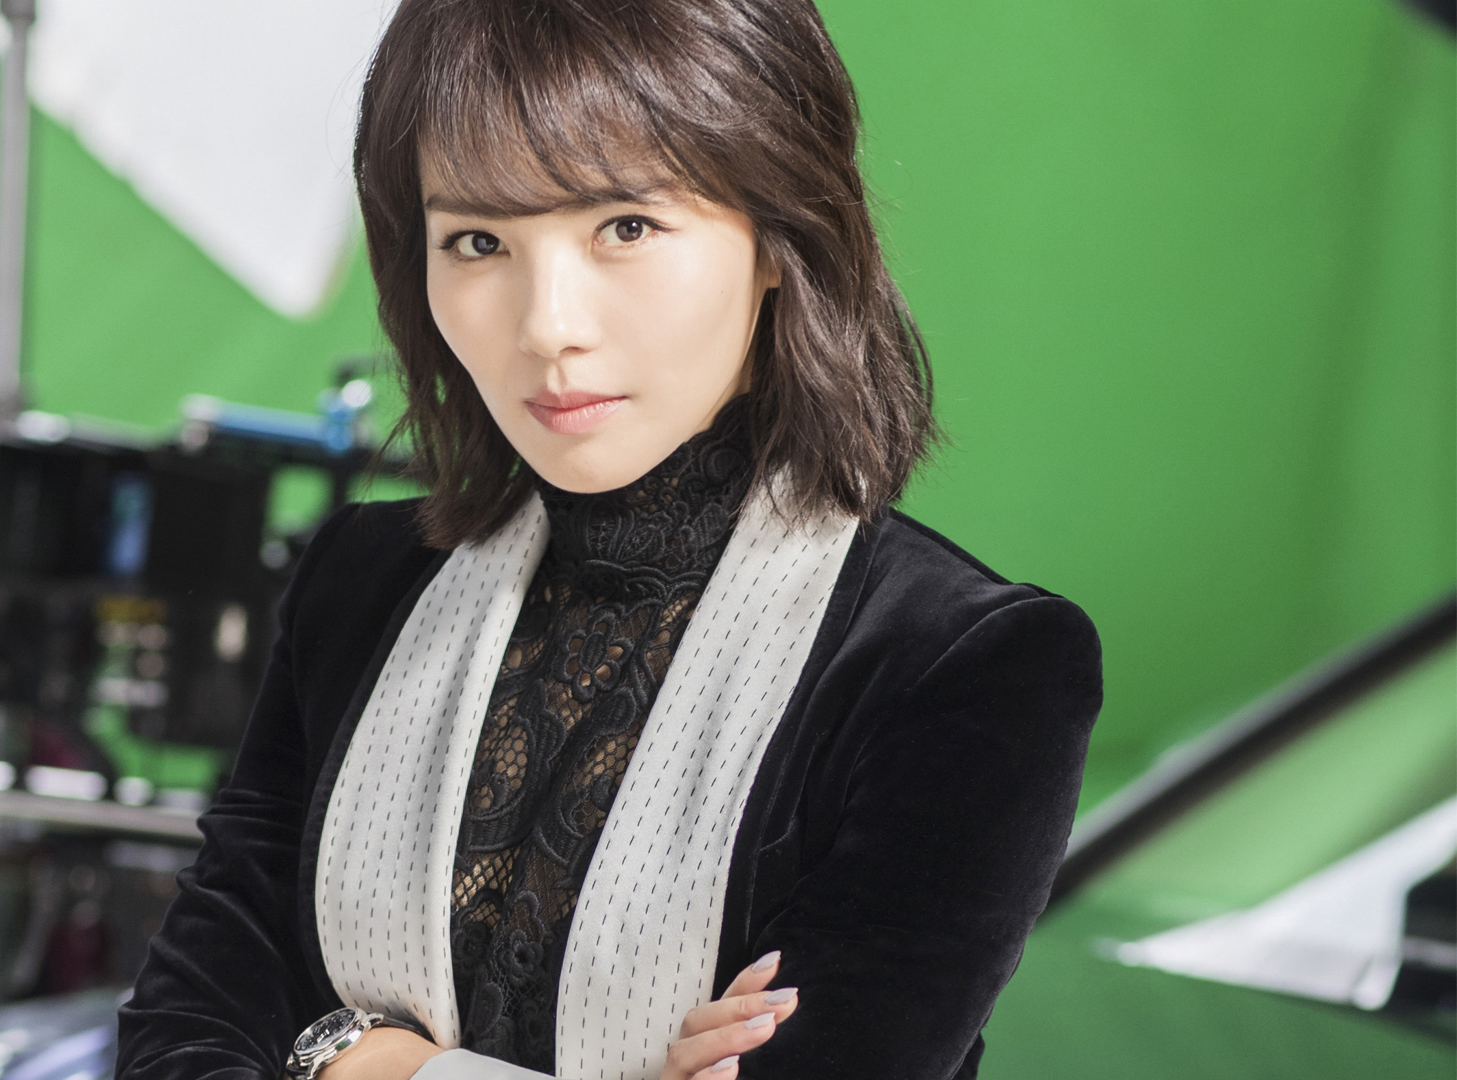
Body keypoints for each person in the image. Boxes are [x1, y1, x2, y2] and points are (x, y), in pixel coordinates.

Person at [117, 1, 1102, 1077]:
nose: (548, 325)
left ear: (780, 232)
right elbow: (176, 1037)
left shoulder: (961, 669)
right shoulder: (361, 585)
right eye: (478, 241)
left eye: (625, 227)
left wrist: (362, 1060)